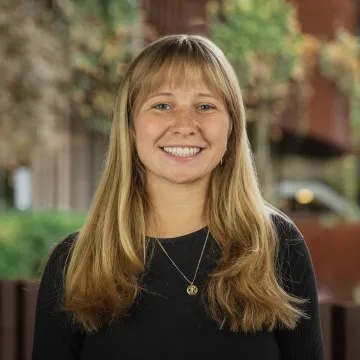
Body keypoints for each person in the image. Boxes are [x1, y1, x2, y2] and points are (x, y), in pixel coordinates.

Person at [32, 34, 325, 360]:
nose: (185, 125)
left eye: (205, 106)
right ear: (130, 126)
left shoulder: (279, 245)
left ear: (232, 128)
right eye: (162, 105)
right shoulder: (73, 263)